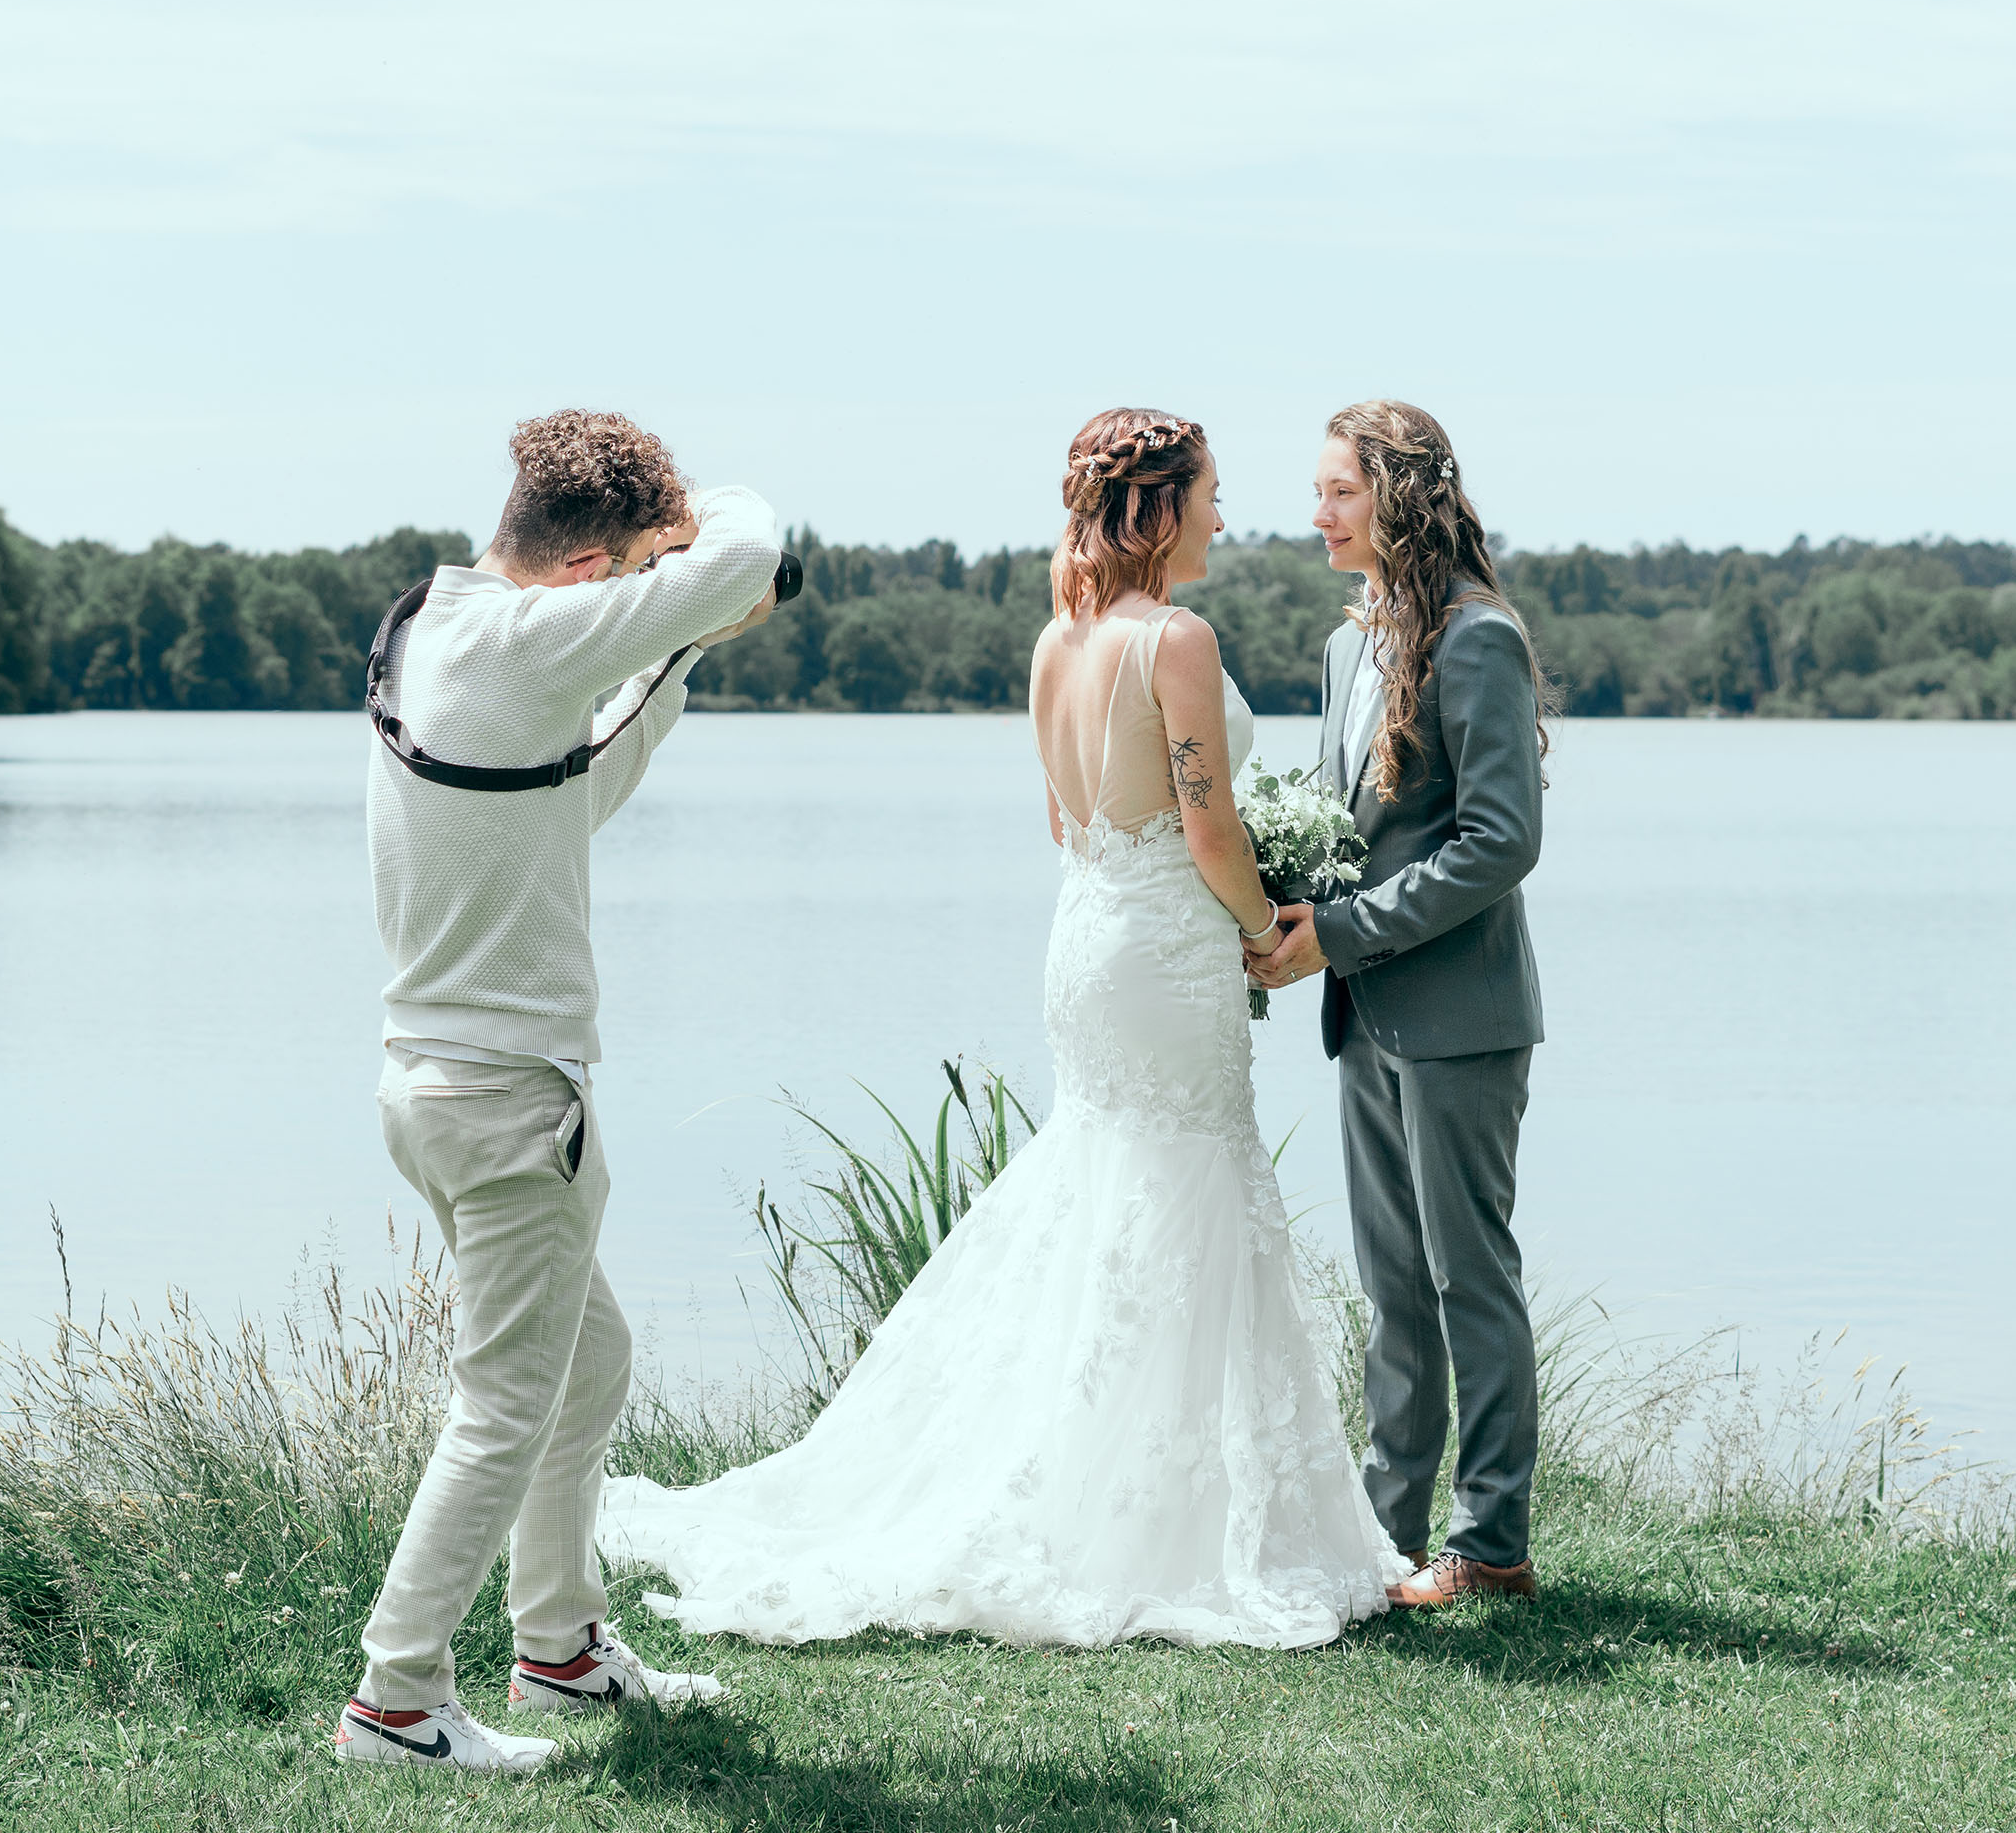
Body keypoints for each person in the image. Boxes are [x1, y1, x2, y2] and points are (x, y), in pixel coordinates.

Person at [597, 409, 1409, 1651]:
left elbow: (1062, 821)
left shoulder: (1054, 642)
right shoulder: (1174, 639)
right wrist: (1266, 929)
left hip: (1086, 938)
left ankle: (1105, 1479)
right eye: (1209, 494)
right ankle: (1167, 1520)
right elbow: (1207, 827)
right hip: (1162, 951)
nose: (1225, 517)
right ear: (1157, 507)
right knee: (1182, 1183)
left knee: (1108, 1184)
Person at [337, 410, 781, 1775]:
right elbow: (759, 539)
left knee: (588, 1364)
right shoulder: (527, 641)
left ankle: (562, 1650)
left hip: (438, 1088)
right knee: (503, 1404)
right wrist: (695, 541)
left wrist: (674, 643)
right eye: (629, 575)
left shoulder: (434, 626)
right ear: (592, 569)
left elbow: (570, 787)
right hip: (510, 1104)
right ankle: (398, 1700)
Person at [1252, 399, 1554, 1609]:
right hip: (1363, 1016)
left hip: (1460, 1017)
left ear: (1398, 496)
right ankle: (1386, 1536)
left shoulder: (1479, 638)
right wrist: (1279, 907)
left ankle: (1491, 1546)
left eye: (1337, 492)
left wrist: (1342, 931)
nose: (1315, 513)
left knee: (1466, 1277)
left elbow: (1499, 840)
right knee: (1390, 1287)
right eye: (1318, 492)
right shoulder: (1347, 645)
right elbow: (1351, 831)